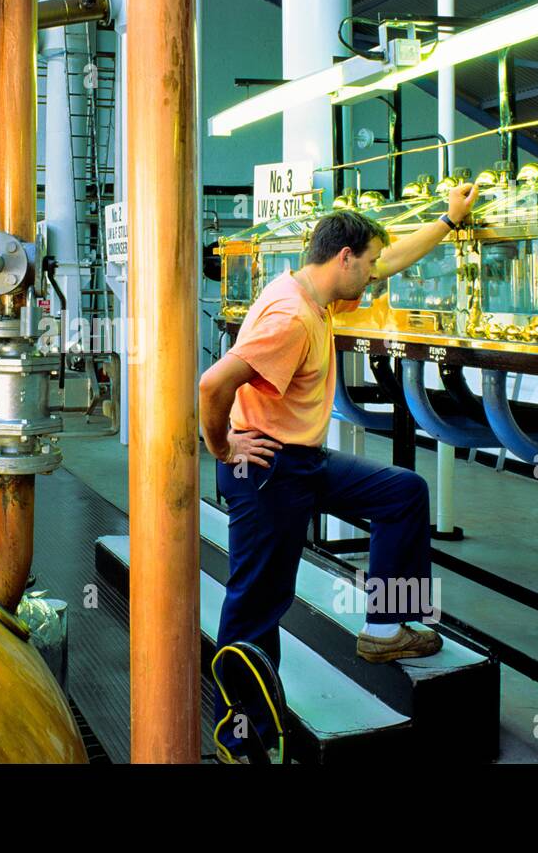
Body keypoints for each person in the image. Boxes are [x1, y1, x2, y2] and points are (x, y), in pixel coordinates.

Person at [198, 183, 479, 759]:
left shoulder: (319, 293)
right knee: (258, 601)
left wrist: (450, 222)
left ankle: (385, 629)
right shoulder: (292, 317)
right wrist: (222, 446)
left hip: (303, 460)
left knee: (402, 493)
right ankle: (243, 730)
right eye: (369, 261)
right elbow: (212, 383)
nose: (376, 271)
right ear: (344, 257)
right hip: (269, 468)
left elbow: (394, 259)